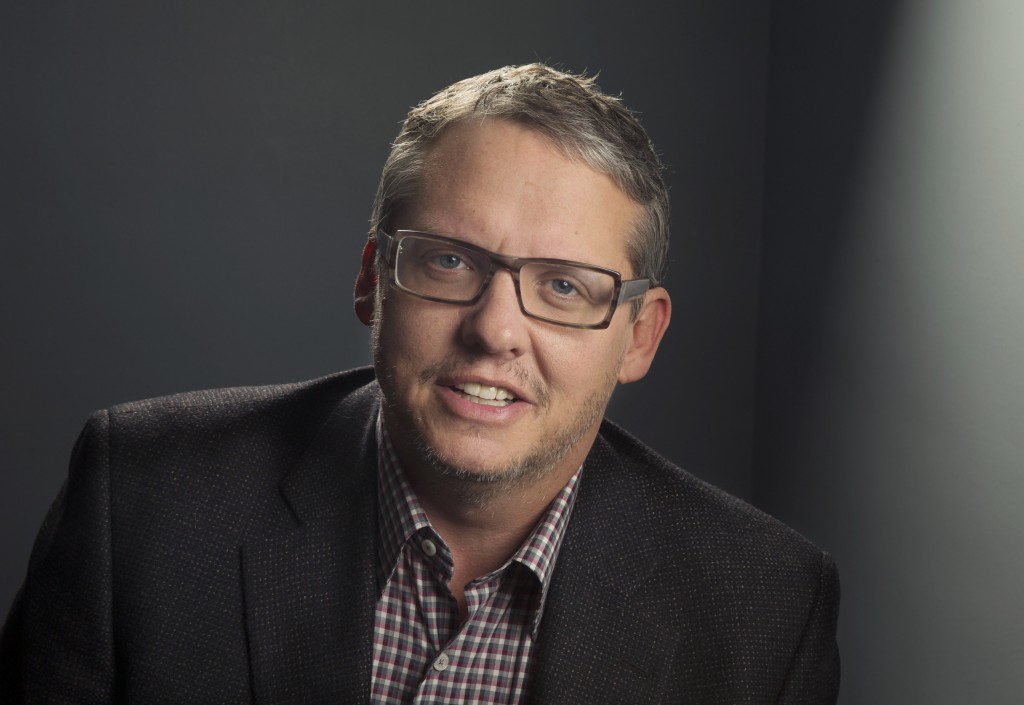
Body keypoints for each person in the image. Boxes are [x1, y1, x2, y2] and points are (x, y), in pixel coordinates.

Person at [0, 64, 839, 704]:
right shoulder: (141, 500)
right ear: (373, 279)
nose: (495, 329)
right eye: (448, 261)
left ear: (639, 335)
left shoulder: (764, 607)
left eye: (563, 287)